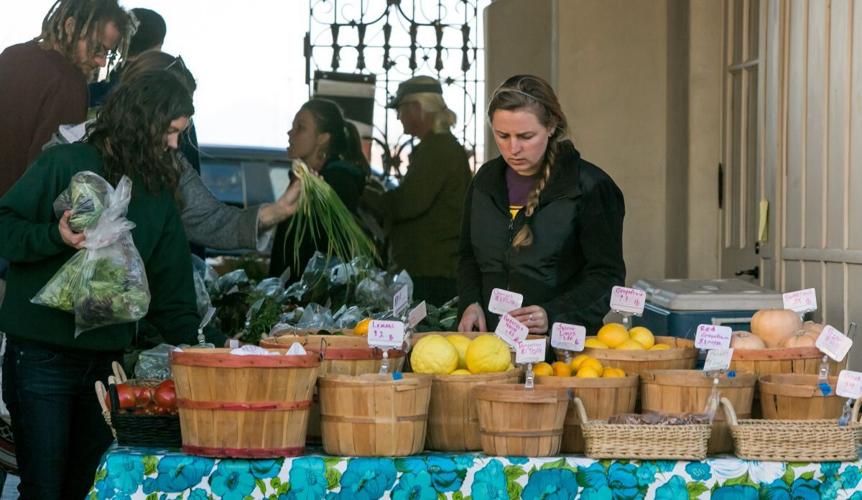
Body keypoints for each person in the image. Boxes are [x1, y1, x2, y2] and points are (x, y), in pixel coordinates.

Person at [0, 72, 225, 499]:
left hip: (107, 366)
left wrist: (214, 348)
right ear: (142, 121)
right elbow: (4, 226)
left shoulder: (158, 192)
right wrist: (55, 237)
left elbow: (173, 290)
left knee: (89, 488)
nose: (175, 145)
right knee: (44, 488)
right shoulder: (64, 164)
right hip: (40, 357)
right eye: (171, 131)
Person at [48, 51, 302, 252]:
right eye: (168, 114)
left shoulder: (169, 165)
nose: (174, 142)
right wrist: (56, 235)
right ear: (140, 101)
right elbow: (18, 225)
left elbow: (211, 220)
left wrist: (278, 211)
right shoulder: (66, 150)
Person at [457, 74, 626, 335]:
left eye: (526, 136)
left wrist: (554, 315)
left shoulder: (590, 187)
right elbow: (468, 257)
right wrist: (471, 303)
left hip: (560, 350)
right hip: (490, 344)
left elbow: (606, 278)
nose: (513, 148)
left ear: (551, 126)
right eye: (502, 135)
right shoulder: (484, 181)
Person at [0, 0, 132, 197]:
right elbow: (50, 176)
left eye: (108, 53)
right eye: (98, 48)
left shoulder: (12, 54)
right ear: (70, 27)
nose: (102, 61)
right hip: (16, 218)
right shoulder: (70, 85)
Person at [362, 75, 472, 306]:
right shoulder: (438, 147)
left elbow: (407, 204)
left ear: (417, 107)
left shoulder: (437, 149)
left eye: (400, 110)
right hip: (430, 269)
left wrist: (364, 193)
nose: (399, 117)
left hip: (431, 273)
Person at [269, 98, 369, 280]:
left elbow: (330, 252)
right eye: (293, 126)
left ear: (323, 138)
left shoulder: (337, 182)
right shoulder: (303, 179)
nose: (290, 133)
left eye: (301, 128)